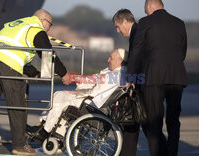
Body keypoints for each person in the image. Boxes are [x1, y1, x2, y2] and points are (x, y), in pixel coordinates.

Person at [0, 9, 71, 155]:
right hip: (8, 63)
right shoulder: (36, 28)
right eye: (50, 25)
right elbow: (48, 55)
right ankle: (19, 146)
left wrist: (34, 73)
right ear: (44, 21)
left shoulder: (15, 25)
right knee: (17, 105)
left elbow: (16, 50)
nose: (49, 29)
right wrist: (64, 74)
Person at [127, 0, 188, 156]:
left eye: (145, 9)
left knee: (154, 121)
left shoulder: (145, 22)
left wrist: (131, 77)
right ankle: (172, 153)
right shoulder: (179, 23)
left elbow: (136, 51)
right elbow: (182, 51)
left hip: (153, 77)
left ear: (149, 7)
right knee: (173, 121)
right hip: (177, 77)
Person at [28, 49, 128, 142]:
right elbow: (94, 80)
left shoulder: (115, 75)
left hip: (92, 105)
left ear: (120, 60)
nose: (108, 59)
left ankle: (44, 130)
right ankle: (53, 133)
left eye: (111, 58)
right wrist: (77, 79)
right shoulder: (115, 72)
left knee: (59, 96)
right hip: (94, 102)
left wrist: (76, 92)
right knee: (62, 99)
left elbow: (94, 93)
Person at [112, 9, 144, 156]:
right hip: (141, 80)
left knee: (145, 125)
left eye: (118, 26)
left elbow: (136, 57)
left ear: (125, 21)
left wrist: (131, 80)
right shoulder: (137, 31)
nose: (118, 31)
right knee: (133, 122)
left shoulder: (137, 32)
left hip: (143, 82)